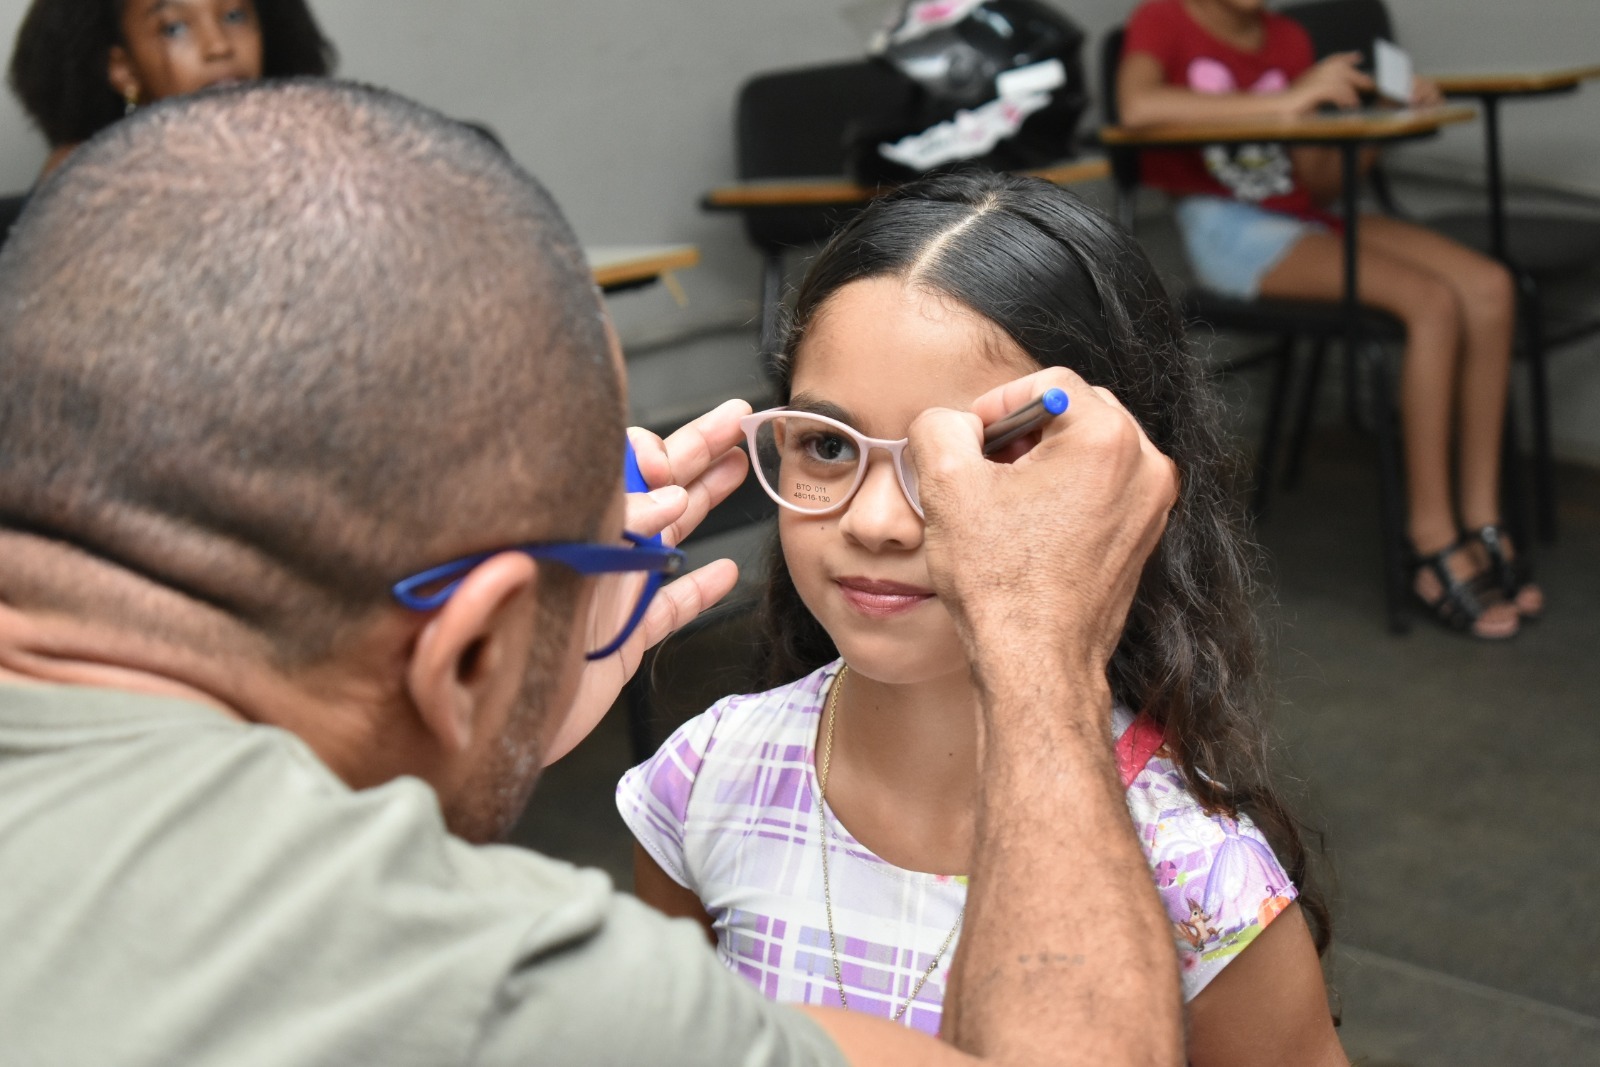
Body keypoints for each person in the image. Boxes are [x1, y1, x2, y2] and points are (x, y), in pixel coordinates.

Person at [0, 81, 1186, 1065]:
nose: (879, 516)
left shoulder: (1197, 848)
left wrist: (487, 701)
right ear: (463, 646)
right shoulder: (492, 998)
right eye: (828, 443)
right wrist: (1040, 638)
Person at [619, 171, 1346, 1066]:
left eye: (972, 455)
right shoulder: (704, 779)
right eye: (829, 444)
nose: (876, 520)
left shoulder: (1191, 871)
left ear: (1115, 488)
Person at [1116, 0, 1542, 640]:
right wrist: (1292, 100)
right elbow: (1139, 109)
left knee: (1490, 287)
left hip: (1306, 218)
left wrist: (1370, 121)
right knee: (1430, 302)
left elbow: (1315, 181)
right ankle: (1430, 537)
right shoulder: (1164, 18)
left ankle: (1483, 518)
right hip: (1226, 227)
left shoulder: (1287, 38)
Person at [7, 0, 335, 177]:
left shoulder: (306, 154)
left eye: (234, 15)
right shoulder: (83, 178)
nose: (219, 46)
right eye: (174, 28)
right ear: (124, 70)